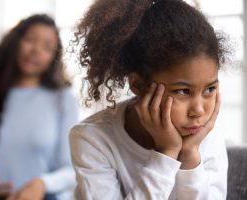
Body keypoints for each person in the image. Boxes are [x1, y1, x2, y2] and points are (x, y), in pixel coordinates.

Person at [69, 0, 230, 199]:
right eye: (183, 91)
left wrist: (190, 155)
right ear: (138, 85)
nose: (199, 111)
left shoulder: (205, 137)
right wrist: (167, 153)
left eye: (210, 89)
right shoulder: (92, 139)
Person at [0, 14, 78, 200]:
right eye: (30, 40)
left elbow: (71, 171)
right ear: (15, 42)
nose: (36, 50)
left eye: (47, 47)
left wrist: (42, 184)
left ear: (53, 58)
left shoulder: (62, 99)